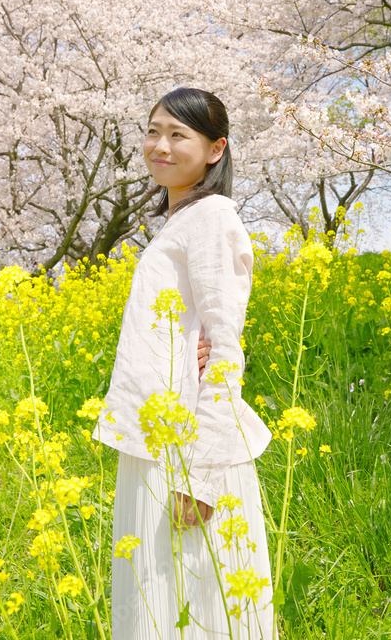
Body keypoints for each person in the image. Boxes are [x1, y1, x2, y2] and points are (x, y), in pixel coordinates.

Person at [91, 87, 275, 638]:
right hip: (158, 435)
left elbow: (224, 351)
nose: (160, 146)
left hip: (189, 447)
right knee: (157, 602)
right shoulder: (180, 221)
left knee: (195, 602)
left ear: (215, 150)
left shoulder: (214, 217)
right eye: (153, 131)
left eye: (178, 135)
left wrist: (204, 477)